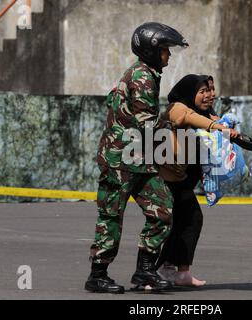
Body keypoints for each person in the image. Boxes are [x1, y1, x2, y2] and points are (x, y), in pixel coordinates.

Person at [85, 22, 189, 294]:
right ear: (153, 50)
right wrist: (179, 125)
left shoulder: (150, 74)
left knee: (162, 210)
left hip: (140, 158)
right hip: (120, 159)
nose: (169, 55)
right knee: (111, 215)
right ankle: (97, 275)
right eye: (165, 49)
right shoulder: (141, 77)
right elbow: (147, 124)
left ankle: (145, 270)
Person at [156, 74, 238, 287]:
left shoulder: (209, 115)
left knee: (187, 220)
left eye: (211, 89)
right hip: (164, 177)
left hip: (181, 178)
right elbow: (185, 118)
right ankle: (161, 268)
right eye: (202, 91)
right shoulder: (176, 107)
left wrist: (230, 132)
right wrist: (216, 126)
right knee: (179, 221)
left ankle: (180, 271)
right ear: (189, 93)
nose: (209, 95)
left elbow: (215, 128)